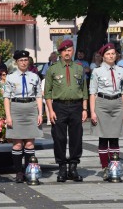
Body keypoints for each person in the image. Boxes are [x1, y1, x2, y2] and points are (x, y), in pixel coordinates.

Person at [44, 39, 88, 183]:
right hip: (59, 106)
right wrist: (50, 111)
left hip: (76, 106)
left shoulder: (79, 68)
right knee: (59, 138)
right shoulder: (53, 69)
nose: (67, 53)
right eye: (64, 51)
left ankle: (74, 167)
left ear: (73, 51)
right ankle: (62, 167)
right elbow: (47, 92)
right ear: (60, 53)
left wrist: (84, 108)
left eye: (69, 50)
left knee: (76, 138)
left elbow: (84, 90)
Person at [89, 43, 123, 181]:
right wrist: (92, 112)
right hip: (102, 104)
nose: (111, 56)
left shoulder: (121, 70)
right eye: (108, 54)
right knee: (103, 137)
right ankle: (105, 167)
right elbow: (92, 93)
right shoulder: (97, 71)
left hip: (117, 104)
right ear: (103, 56)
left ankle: (115, 166)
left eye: (113, 53)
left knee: (115, 137)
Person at [3, 50, 43, 183]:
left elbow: (38, 95)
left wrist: (40, 113)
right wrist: (8, 116)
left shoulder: (34, 76)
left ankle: (28, 171)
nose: (23, 62)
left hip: (31, 109)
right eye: (21, 60)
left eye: (26, 60)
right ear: (16, 62)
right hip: (16, 109)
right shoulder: (10, 77)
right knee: (18, 144)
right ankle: (18, 172)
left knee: (30, 143)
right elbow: (6, 97)